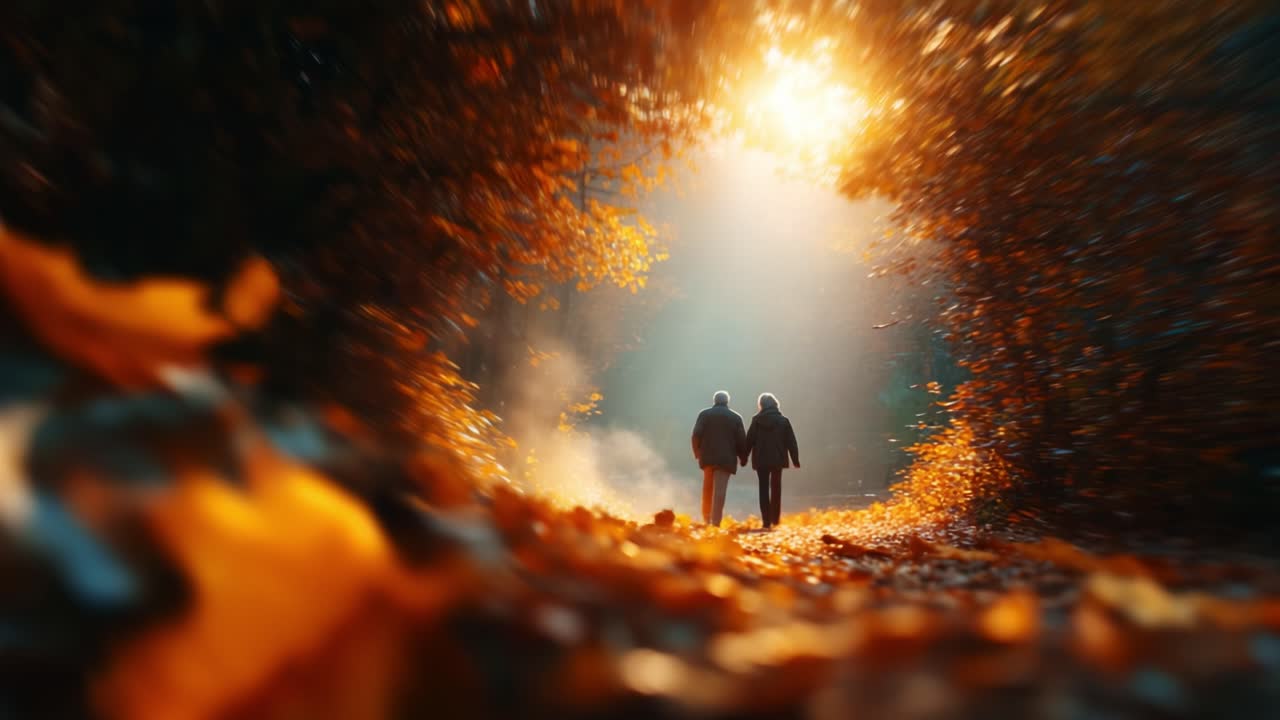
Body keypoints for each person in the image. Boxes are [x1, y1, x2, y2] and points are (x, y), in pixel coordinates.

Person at [691, 390, 747, 526]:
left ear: (714, 400)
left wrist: (697, 452)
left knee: (707, 488)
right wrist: (743, 457)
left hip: (708, 458)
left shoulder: (704, 414)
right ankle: (715, 523)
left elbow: (696, 435)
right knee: (720, 492)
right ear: (727, 401)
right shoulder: (736, 417)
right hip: (726, 460)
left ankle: (706, 518)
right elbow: (741, 441)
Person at [744, 392, 799, 529]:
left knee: (763, 489)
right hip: (778, 459)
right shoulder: (783, 421)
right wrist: (795, 459)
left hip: (761, 459)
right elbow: (791, 441)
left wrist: (744, 456)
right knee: (776, 489)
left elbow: (749, 440)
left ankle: (766, 522)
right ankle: (776, 520)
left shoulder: (756, 421)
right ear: (775, 404)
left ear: (761, 405)